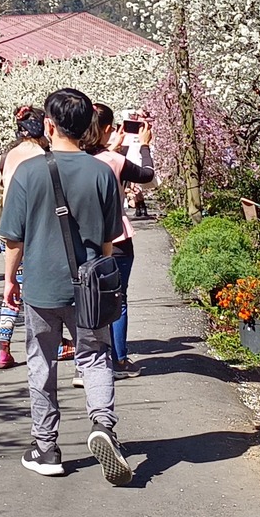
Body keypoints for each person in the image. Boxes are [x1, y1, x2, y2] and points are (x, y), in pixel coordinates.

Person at [0, 88, 131, 485]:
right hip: (91, 287)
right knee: (94, 357)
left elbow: (14, 239)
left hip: (41, 285)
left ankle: (46, 447)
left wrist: (9, 280)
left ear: (49, 125)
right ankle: (103, 427)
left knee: (42, 360)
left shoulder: (29, 172)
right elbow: (109, 238)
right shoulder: (101, 172)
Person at [90, 102, 155, 379]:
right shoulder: (114, 160)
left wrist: (112, 147)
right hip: (116, 239)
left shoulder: (68, 159)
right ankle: (118, 359)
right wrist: (143, 146)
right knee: (118, 300)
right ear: (108, 129)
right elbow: (149, 179)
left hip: (80, 240)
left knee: (87, 298)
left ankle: (89, 361)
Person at [0, 108, 48, 369]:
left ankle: (3, 348)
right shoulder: (48, 155)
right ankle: (49, 341)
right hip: (42, 231)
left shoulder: (7, 156)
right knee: (40, 290)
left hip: (11, 232)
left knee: (11, 289)